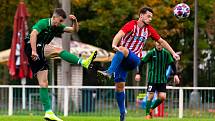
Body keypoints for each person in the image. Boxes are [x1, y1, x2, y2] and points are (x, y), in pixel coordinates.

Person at [98, 7, 180, 121]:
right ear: (141, 15)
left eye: (151, 17)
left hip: (134, 59)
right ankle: (122, 113)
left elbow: (162, 41)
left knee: (122, 49)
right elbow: (119, 34)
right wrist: (113, 44)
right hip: (122, 60)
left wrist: (173, 53)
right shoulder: (132, 24)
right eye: (148, 16)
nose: (150, 19)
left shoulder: (149, 30)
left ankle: (109, 72)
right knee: (119, 87)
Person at [24, 8, 97, 121]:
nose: (61, 23)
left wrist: (75, 21)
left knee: (44, 83)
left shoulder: (57, 27)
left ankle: (48, 112)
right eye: (60, 21)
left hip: (39, 51)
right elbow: (33, 34)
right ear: (54, 17)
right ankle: (83, 62)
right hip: (32, 47)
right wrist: (33, 51)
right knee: (58, 50)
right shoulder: (43, 23)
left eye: (62, 21)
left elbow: (73, 30)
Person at [135, 42, 180, 119]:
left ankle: (151, 109)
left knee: (162, 97)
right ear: (155, 44)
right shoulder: (151, 53)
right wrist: (138, 73)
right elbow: (142, 63)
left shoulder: (166, 53)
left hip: (162, 80)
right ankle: (147, 115)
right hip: (152, 79)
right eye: (158, 44)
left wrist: (176, 75)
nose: (159, 45)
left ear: (163, 44)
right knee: (150, 96)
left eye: (160, 44)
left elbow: (172, 64)